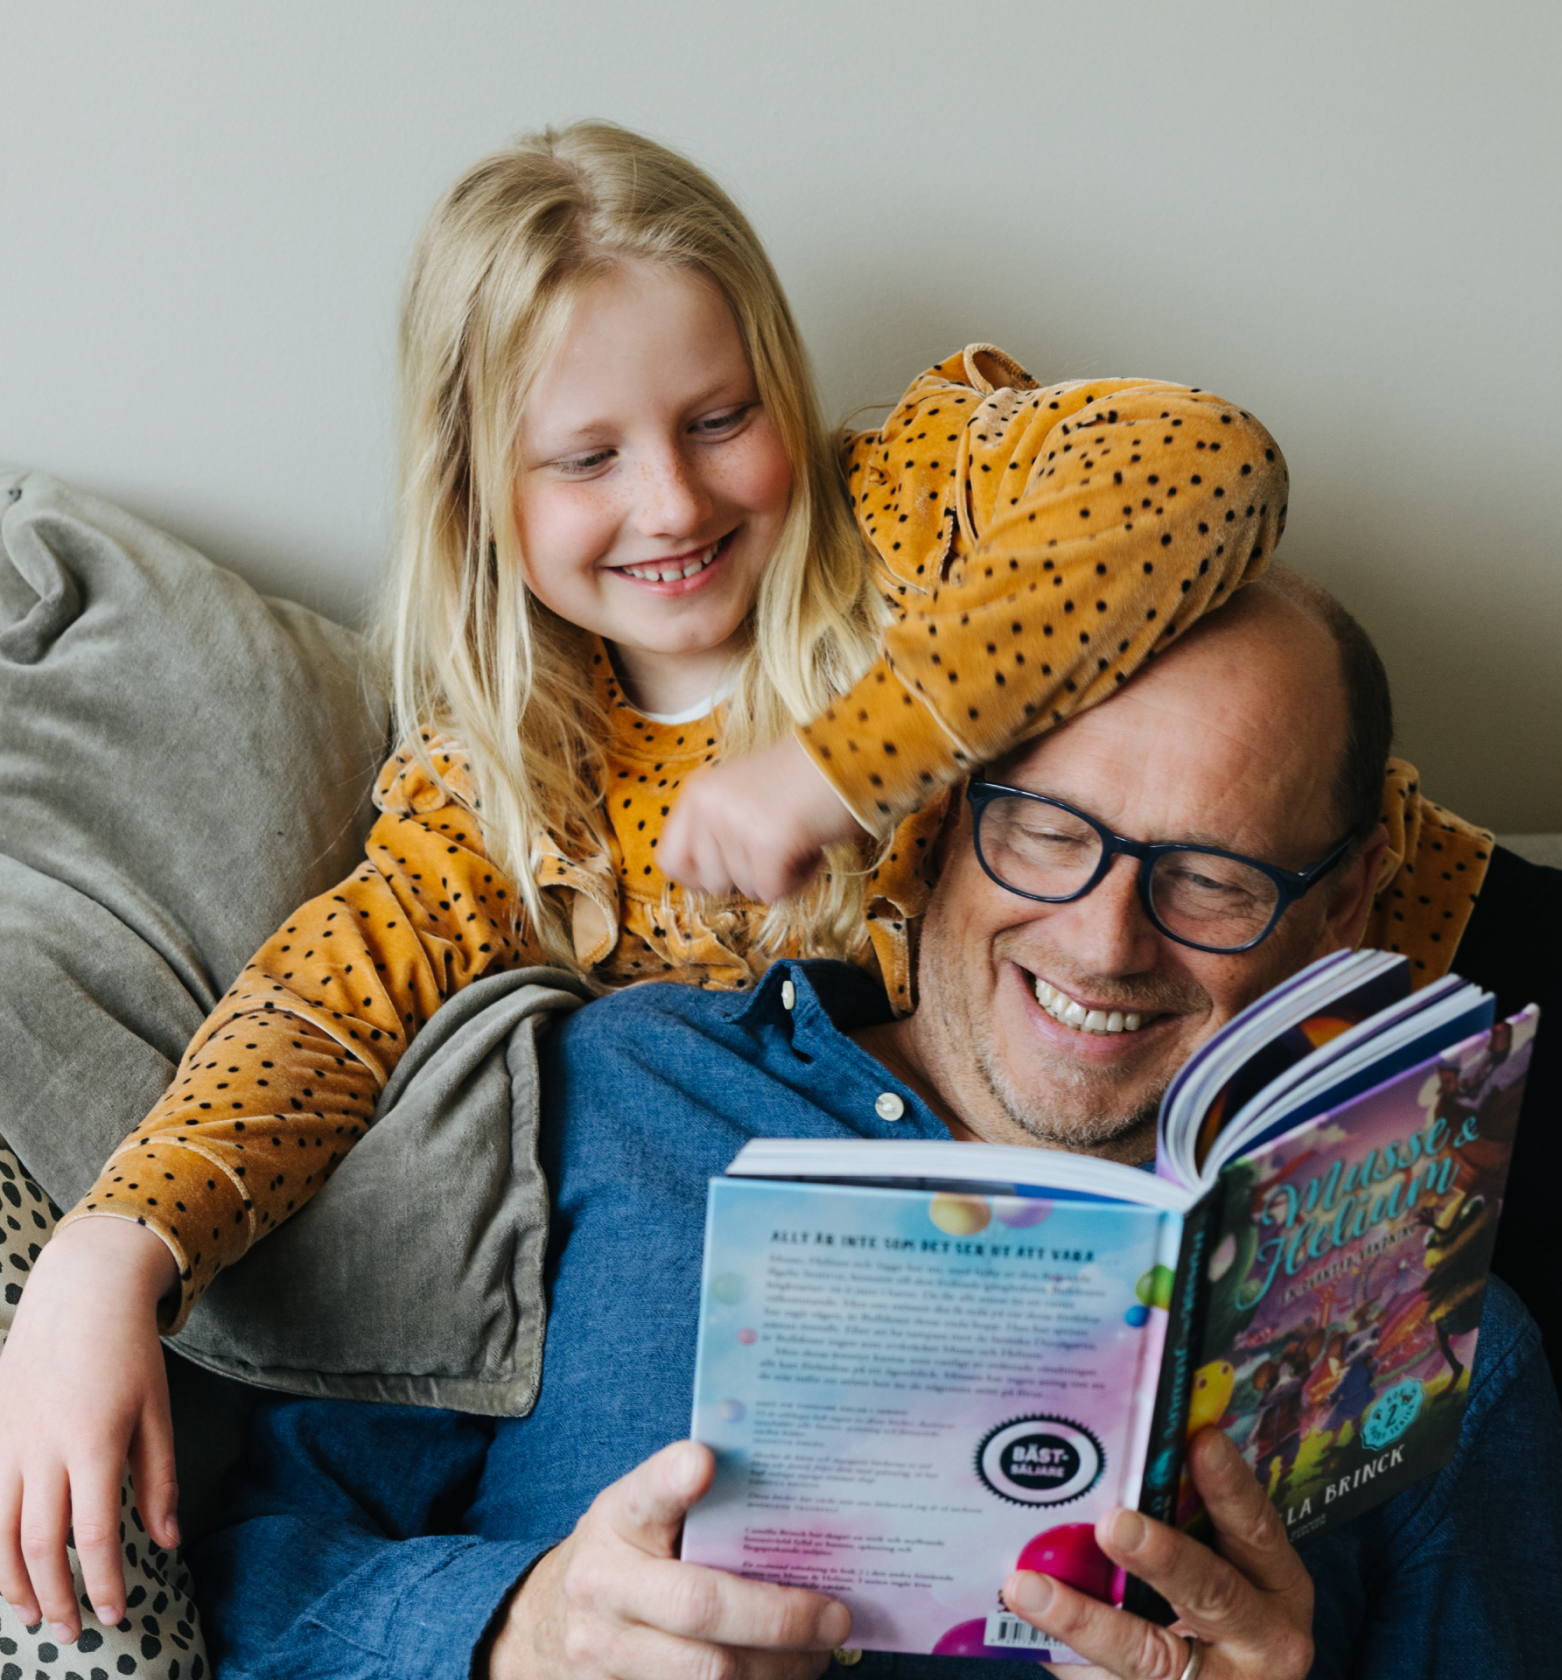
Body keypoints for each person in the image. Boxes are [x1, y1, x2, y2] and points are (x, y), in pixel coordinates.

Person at [0, 119, 1309, 1644]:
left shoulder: (914, 510)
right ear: (478, 491)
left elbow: (1215, 467)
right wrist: (113, 1251)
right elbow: (321, 1010)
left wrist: (842, 765)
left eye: (719, 419)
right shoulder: (510, 788)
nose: (675, 503)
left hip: (1366, 936)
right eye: (588, 459)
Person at [185, 573, 1562, 1680]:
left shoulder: (1428, 1338)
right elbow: (229, 1588)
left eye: (1213, 878)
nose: (1105, 944)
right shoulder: (611, 1093)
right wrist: (519, 1633)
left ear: (1342, 905)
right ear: (934, 816)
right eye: (1048, 831)